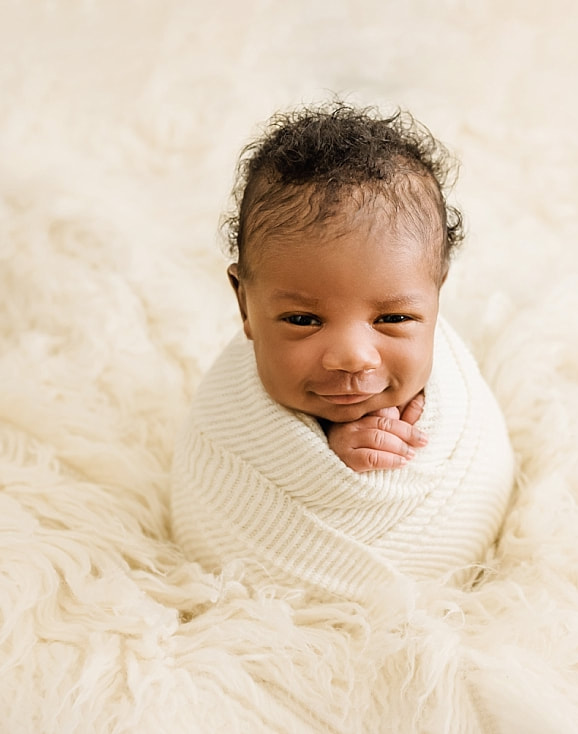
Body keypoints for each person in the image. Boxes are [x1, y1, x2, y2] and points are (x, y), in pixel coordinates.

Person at [170, 102, 514, 602]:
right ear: (244, 303)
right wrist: (326, 462)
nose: (353, 356)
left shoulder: (457, 405)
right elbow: (224, 496)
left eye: (393, 319)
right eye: (303, 320)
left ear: (437, 296)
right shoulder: (225, 420)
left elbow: (480, 474)